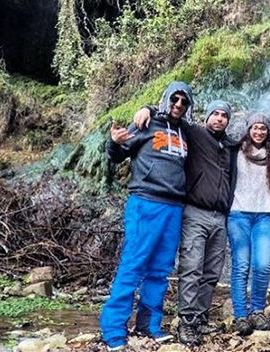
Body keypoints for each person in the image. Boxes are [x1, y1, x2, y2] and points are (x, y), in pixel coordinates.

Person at [133, 99, 238, 346]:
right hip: (195, 211)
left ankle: (201, 317)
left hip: (220, 216)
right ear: (206, 117)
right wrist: (147, 109)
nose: (219, 118)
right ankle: (187, 321)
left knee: (212, 271)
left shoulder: (231, 146)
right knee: (192, 268)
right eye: (215, 114)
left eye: (224, 115)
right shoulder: (194, 133)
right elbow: (172, 113)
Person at [99, 81, 194, 351]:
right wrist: (113, 143)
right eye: (174, 99)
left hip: (174, 207)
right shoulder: (147, 122)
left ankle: (149, 325)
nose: (178, 105)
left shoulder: (185, 131)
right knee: (133, 265)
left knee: (161, 270)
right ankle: (113, 330)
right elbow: (118, 153)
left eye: (183, 101)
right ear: (166, 99)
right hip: (145, 202)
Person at [228, 113, 270, 335]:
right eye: (255, 127)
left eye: (263, 128)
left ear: (268, 131)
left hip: (266, 214)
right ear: (248, 129)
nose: (259, 131)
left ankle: (258, 310)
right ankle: (241, 315)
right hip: (239, 214)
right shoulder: (236, 150)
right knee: (241, 266)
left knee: (262, 265)